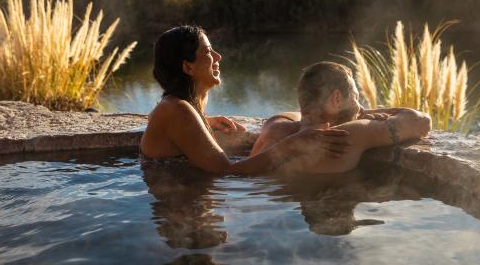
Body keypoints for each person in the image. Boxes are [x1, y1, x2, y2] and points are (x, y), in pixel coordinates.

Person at [140, 26, 352, 174]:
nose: (218, 57)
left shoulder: (178, 108)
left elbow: (158, 122)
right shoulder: (177, 110)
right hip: (179, 208)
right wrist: (295, 143)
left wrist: (203, 120)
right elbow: (228, 171)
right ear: (188, 67)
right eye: (207, 51)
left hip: (183, 198)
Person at [250, 61, 431, 173]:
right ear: (337, 98)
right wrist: (363, 115)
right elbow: (421, 122)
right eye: (356, 97)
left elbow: (303, 115)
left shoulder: (275, 125)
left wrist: (355, 111)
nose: (361, 107)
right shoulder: (348, 134)